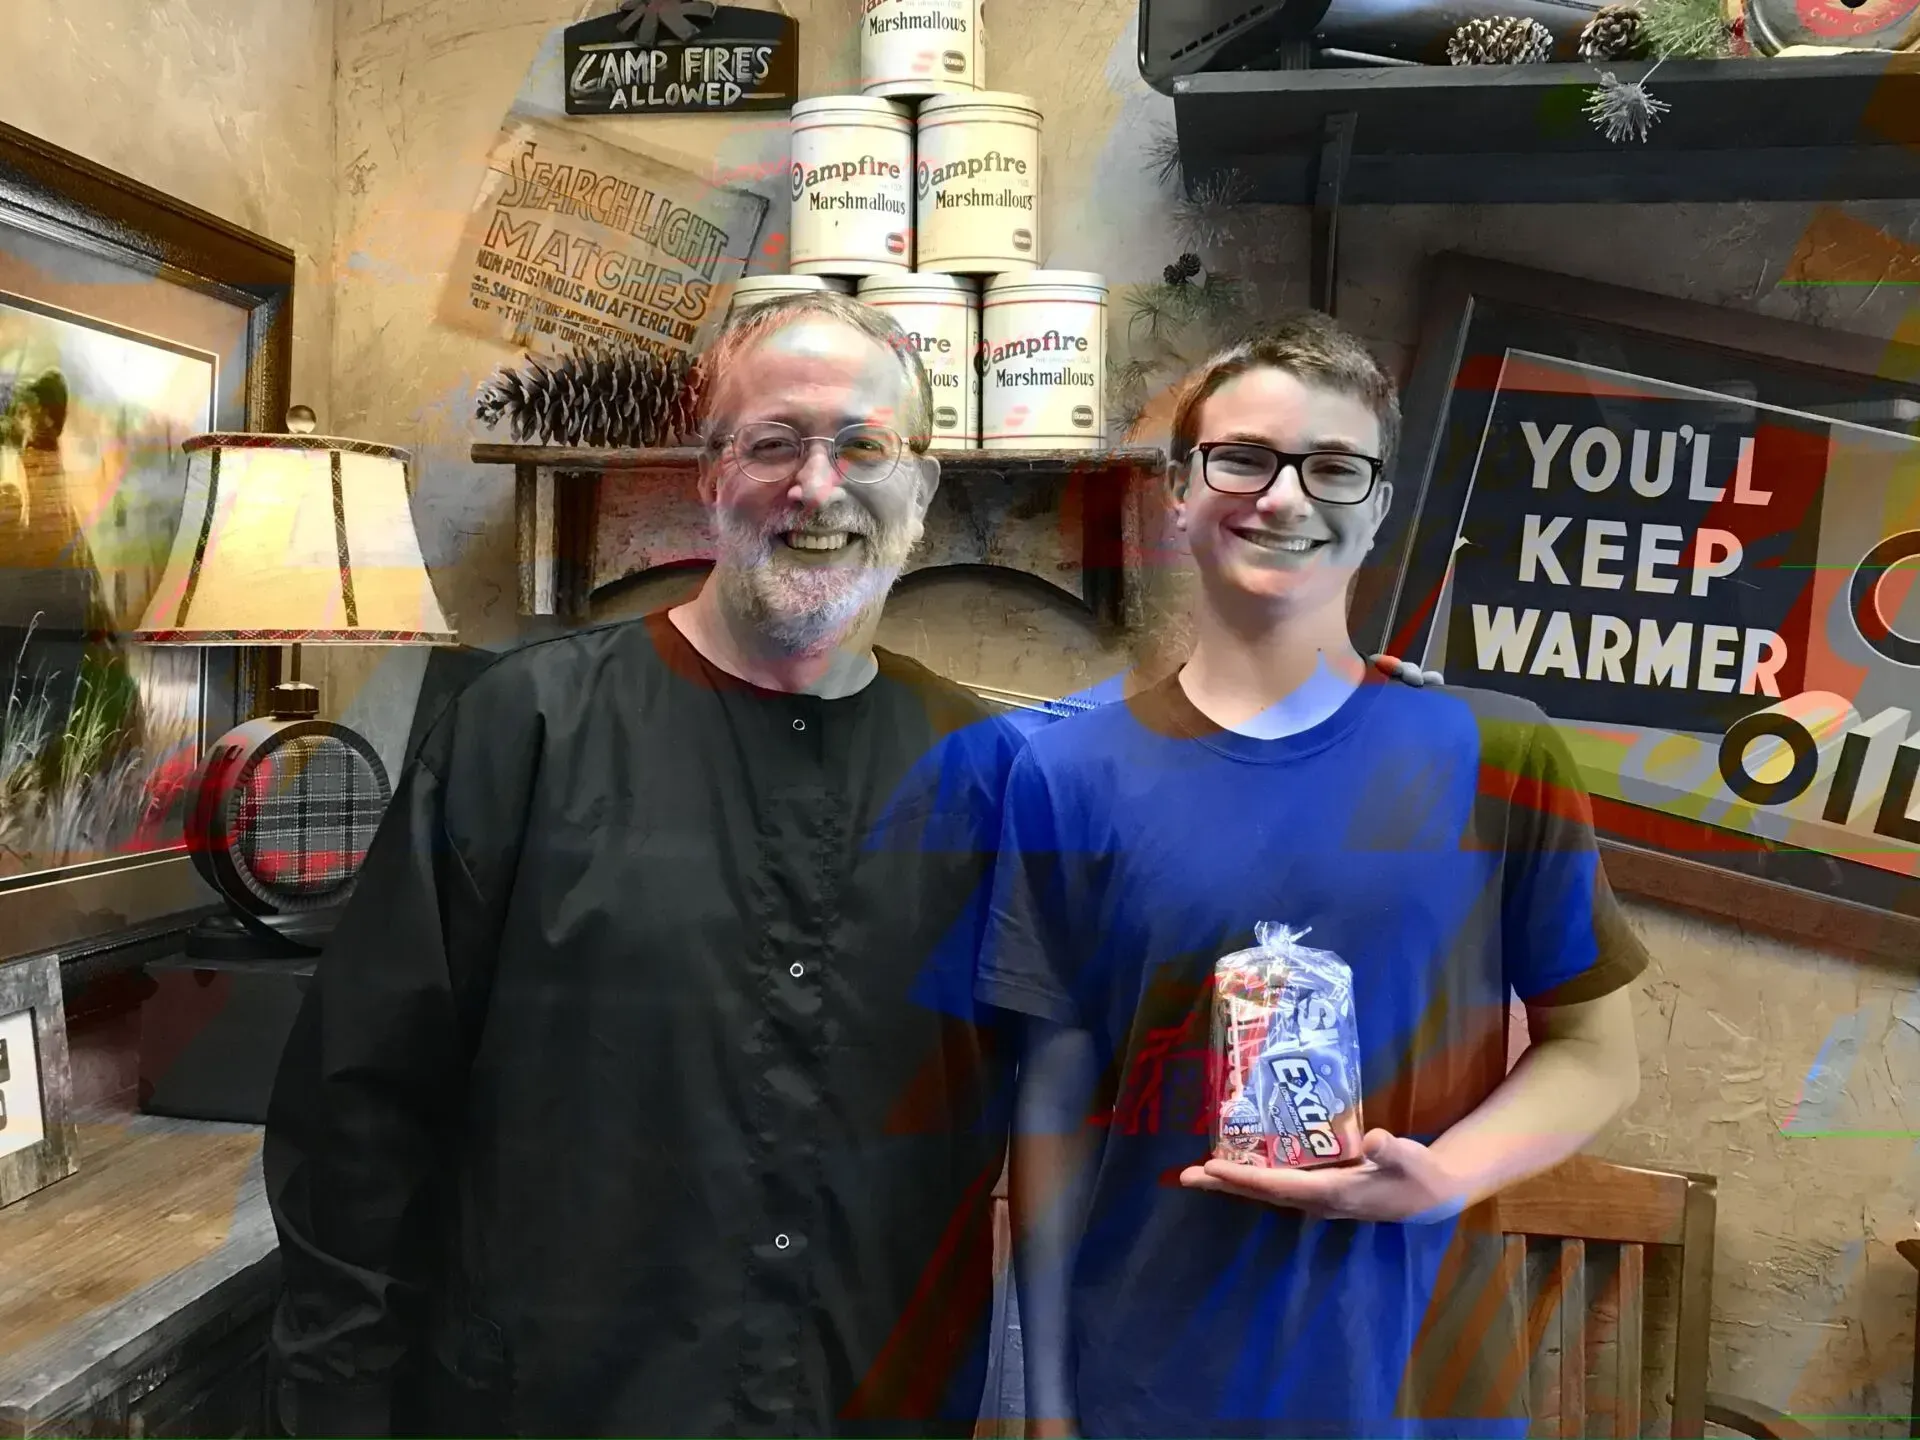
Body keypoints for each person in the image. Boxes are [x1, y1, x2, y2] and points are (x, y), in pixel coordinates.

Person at [263, 291, 1026, 1438]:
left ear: (920, 485)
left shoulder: (988, 777)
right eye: (774, 443)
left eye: (862, 447)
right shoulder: (523, 732)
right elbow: (359, 1116)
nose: (816, 487)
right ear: (710, 476)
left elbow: (1070, 1106)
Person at [980, 313, 1647, 1439]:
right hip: (1148, 1390)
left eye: (1333, 467)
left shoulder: (1497, 754)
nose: (1284, 497)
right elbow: (1052, 1109)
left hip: (1417, 1389)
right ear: (1179, 491)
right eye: (1242, 458)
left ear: (1378, 505)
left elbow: (1595, 1054)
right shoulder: (1070, 775)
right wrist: (1047, 1409)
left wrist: (1439, 1178)